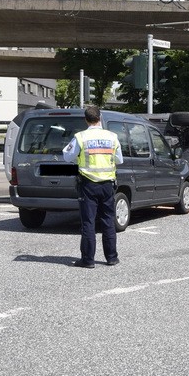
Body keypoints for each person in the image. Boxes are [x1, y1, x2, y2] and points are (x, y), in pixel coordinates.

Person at [62, 106, 124, 268]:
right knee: (108, 221)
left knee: (88, 223)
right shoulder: (112, 137)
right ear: (100, 117)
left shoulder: (81, 137)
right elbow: (119, 160)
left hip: (88, 184)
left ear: (86, 119)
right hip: (108, 185)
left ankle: (88, 260)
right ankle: (111, 257)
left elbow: (67, 156)